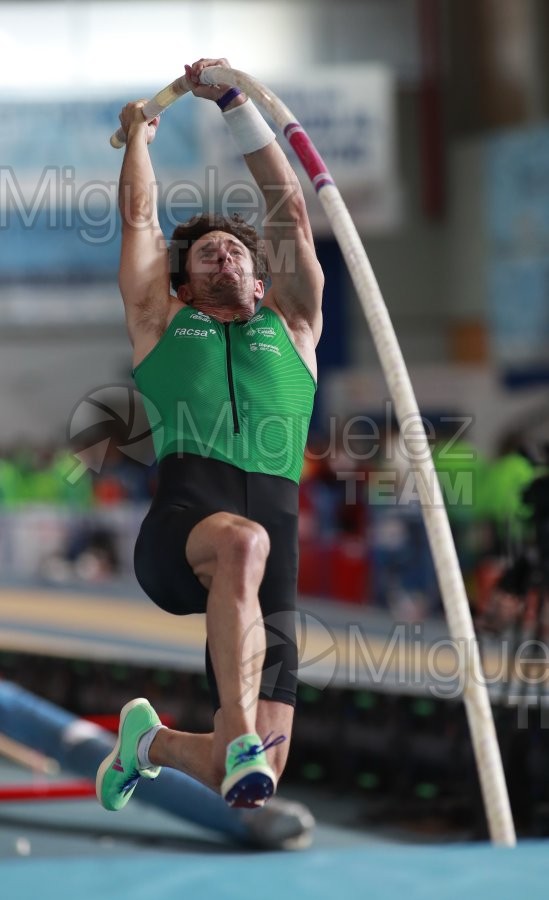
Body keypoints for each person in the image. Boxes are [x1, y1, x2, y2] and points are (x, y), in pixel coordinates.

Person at [96, 57, 324, 811]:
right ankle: (234, 733)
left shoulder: (293, 327)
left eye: (237, 251)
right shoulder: (161, 325)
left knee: (262, 772)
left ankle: (149, 743)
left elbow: (289, 209)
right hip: (183, 532)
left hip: (273, 560)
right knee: (241, 542)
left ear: (262, 280)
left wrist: (235, 104)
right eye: (206, 252)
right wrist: (139, 140)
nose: (225, 253)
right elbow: (137, 223)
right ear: (182, 282)